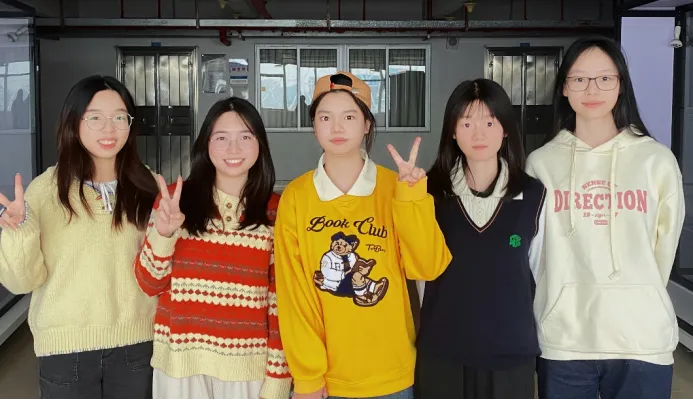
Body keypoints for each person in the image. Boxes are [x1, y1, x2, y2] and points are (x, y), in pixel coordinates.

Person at [273, 71, 452, 400]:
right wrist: (308, 376)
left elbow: (428, 267)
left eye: (349, 117)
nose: (337, 128)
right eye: (325, 117)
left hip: (393, 375)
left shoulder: (395, 186)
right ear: (314, 125)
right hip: (328, 382)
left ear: (367, 124)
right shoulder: (296, 197)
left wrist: (412, 198)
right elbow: (294, 295)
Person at [526, 36, 685, 400]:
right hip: (564, 339)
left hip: (641, 338)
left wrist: (636, 294)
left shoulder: (656, 161)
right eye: (579, 78)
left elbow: (664, 248)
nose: (592, 89)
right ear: (564, 87)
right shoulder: (541, 163)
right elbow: (534, 250)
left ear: (621, 85)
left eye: (604, 78)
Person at [0, 75, 159, 399]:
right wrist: (19, 233)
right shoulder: (45, 190)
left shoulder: (149, 186)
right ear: (74, 122)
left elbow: (161, 268)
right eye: (95, 118)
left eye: (119, 117)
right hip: (65, 350)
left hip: (137, 345)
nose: (109, 128)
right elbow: (21, 282)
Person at [134, 97, 292, 400]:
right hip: (180, 366)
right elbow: (148, 284)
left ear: (260, 144)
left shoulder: (276, 211)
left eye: (245, 137)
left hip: (248, 370)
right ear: (206, 144)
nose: (233, 149)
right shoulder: (174, 201)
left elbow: (280, 304)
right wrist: (164, 234)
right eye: (221, 138)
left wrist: (278, 377)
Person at [414, 78, 546, 400]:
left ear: (505, 129)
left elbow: (541, 273)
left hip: (510, 356)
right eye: (467, 123)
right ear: (452, 131)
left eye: (489, 122)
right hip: (443, 354)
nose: (479, 134)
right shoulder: (427, 193)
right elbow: (419, 278)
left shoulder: (533, 193)